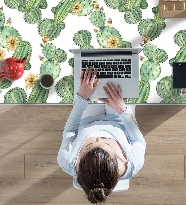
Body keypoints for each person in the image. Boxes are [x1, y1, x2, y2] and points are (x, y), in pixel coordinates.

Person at [58, 66, 146, 203]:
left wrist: (82, 98)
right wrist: (122, 110)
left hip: (87, 120)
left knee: (87, 82)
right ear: (118, 161)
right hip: (119, 119)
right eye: (106, 144)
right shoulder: (134, 163)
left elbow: (70, 131)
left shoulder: (67, 161)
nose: (98, 137)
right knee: (122, 78)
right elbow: (138, 141)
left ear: (79, 163)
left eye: (90, 145)